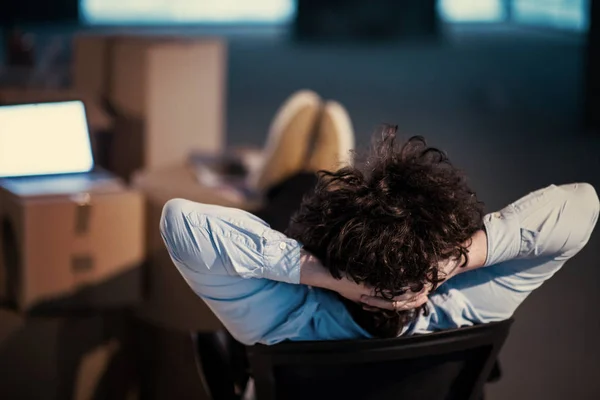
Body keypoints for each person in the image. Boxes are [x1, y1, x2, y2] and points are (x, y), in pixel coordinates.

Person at [160, 90, 599, 346]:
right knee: (306, 196)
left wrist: (331, 275)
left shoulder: (286, 319)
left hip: (304, 279)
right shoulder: (465, 310)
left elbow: (181, 223)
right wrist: (455, 260)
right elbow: (582, 204)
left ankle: (290, 176)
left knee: (288, 208)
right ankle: (303, 171)